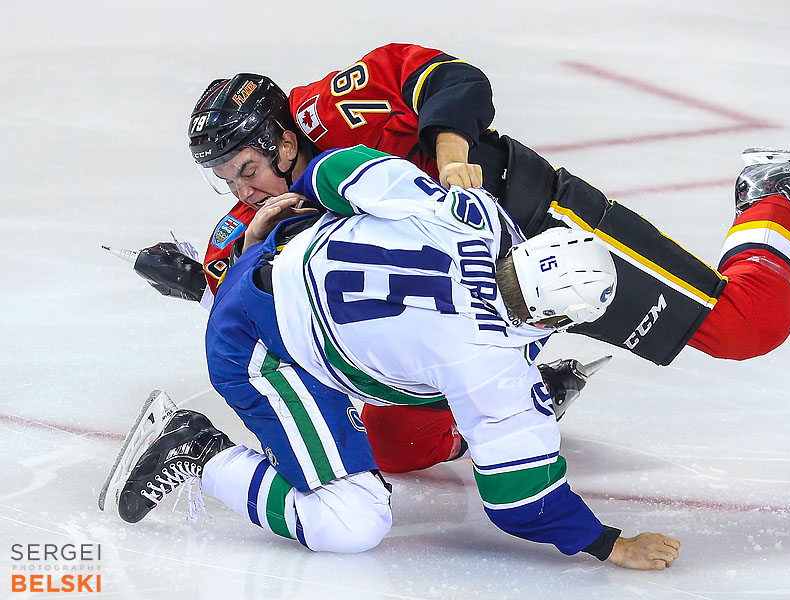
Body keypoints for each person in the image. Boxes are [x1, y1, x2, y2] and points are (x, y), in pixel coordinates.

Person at [135, 44, 790, 473]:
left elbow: (449, 78)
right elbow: (252, 306)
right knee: (402, 446)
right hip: (468, 312)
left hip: (543, 245)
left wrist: (450, 150)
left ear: (280, 134)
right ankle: (532, 383)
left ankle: (771, 193)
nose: (237, 187)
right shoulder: (250, 217)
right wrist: (197, 284)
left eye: (242, 166)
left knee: (750, 326)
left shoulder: (335, 107)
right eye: (222, 178)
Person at [109, 144, 681, 570]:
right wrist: (609, 544)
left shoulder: (472, 216)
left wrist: (290, 211)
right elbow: (522, 501)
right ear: (556, 320)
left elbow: (338, 170)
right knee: (351, 522)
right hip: (259, 349)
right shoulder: (492, 370)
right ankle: (199, 451)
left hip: (272, 263)